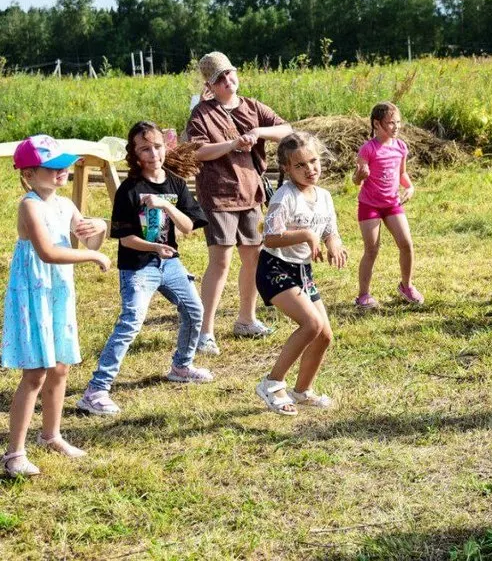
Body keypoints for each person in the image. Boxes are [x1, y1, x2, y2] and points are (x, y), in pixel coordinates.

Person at [77, 122, 213, 416]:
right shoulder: (130, 189)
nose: (153, 154)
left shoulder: (175, 184)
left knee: (194, 310)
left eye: (157, 146)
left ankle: (181, 366)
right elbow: (125, 239)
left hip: (170, 263)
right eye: (145, 149)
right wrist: (154, 247)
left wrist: (165, 206)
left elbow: (189, 227)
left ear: (166, 147)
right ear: (135, 155)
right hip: (138, 267)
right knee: (131, 323)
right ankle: (96, 390)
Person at [3, 136, 110, 477]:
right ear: (29, 175)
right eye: (51, 167)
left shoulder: (65, 205)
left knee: (61, 367)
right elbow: (48, 252)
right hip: (35, 293)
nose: (61, 171)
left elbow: (88, 238)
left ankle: (51, 435)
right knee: (35, 372)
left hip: (59, 292)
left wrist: (101, 230)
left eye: (63, 165)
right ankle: (13, 454)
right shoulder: (30, 205)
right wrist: (93, 254)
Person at [186, 52, 292, 354]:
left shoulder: (252, 107)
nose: (227, 81)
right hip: (218, 194)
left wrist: (259, 132)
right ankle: (204, 331)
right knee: (220, 261)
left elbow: (286, 129)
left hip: (250, 193)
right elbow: (197, 151)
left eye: (230, 74)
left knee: (253, 257)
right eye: (220, 78)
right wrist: (232, 144)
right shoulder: (202, 113)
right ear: (211, 85)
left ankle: (246, 319)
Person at [255, 132, 346, 415]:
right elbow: (270, 238)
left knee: (324, 335)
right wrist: (306, 235)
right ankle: (271, 383)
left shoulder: (325, 197)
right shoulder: (284, 198)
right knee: (311, 324)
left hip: (302, 271)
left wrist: (333, 245)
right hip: (274, 269)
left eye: (313, 161)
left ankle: (302, 390)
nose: (310, 169)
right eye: (300, 166)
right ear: (286, 169)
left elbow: (331, 231)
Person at [353, 102, 422, 308]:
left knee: (406, 244)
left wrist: (409, 188)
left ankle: (406, 286)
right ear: (377, 124)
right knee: (372, 249)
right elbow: (356, 181)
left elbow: (402, 174)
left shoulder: (401, 147)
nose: (396, 127)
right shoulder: (368, 149)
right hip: (370, 206)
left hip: (392, 204)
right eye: (391, 123)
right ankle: (363, 295)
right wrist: (359, 175)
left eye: (398, 122)